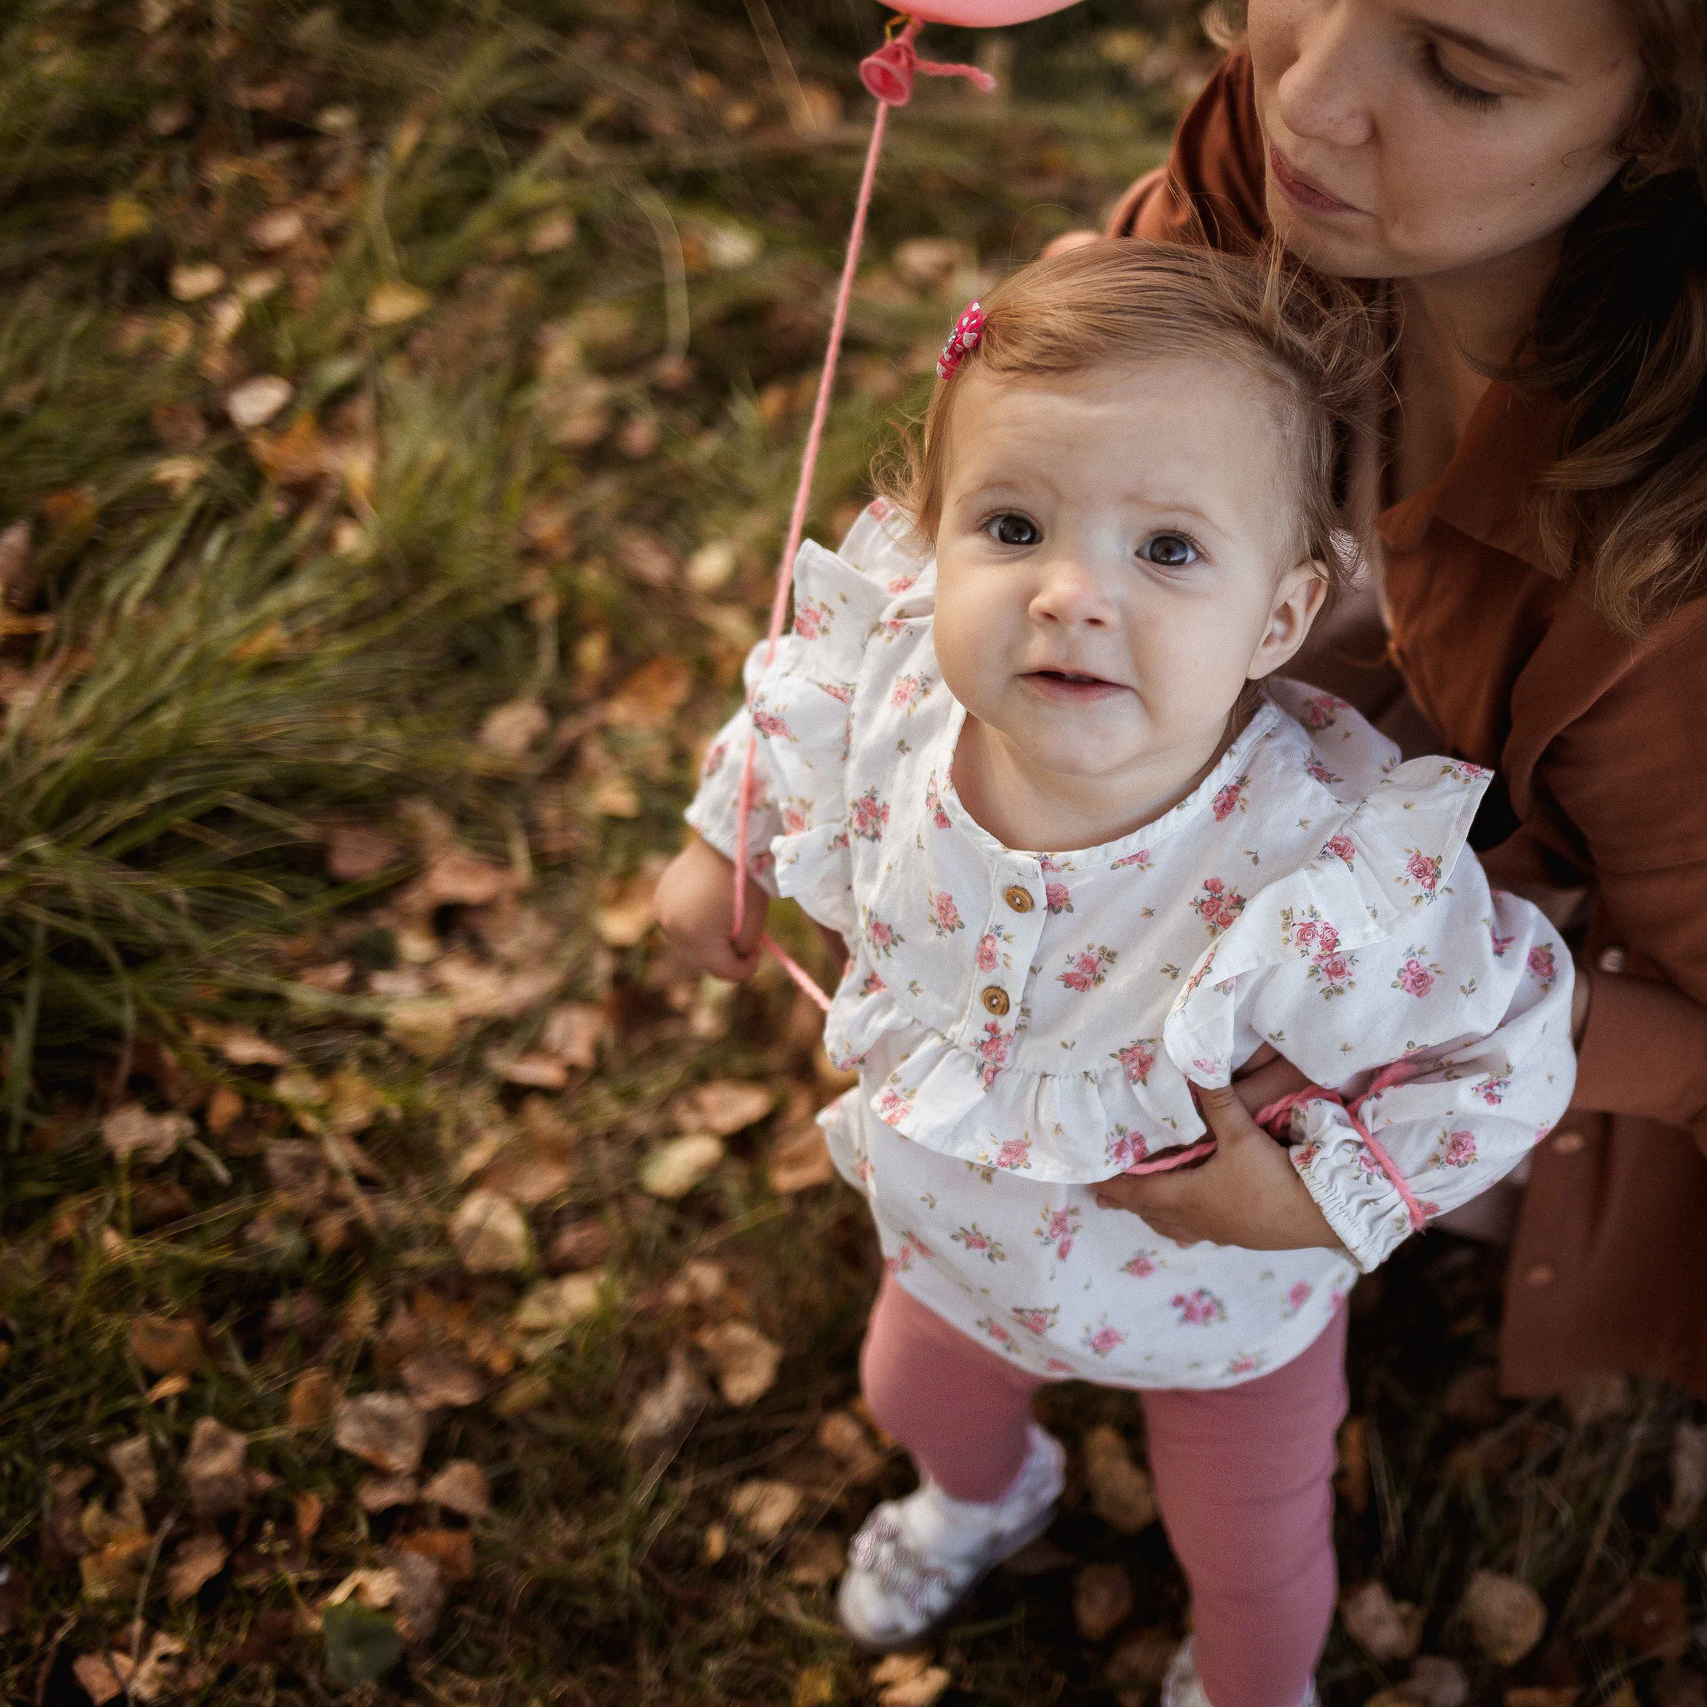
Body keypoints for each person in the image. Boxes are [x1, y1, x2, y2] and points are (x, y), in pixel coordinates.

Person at [1085, 0, 1707, 1409]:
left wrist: (1488, 1038)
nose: (1302, 99)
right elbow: (1122, 373)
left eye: (1461, 74)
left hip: (1674, 903)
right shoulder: (1327, 149)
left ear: (1688, 126)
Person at [654, 241, 1579, 1707]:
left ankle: (1254, 1686)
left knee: (1253, 1556)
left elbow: (1509, 1040)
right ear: (936, 543)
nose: (1073, 594)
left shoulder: (1314, 866)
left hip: (1218, 1295)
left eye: (1168, 551)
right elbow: (794, 714)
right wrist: (727, 844)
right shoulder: (900, 691)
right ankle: (987, 1494)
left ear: (1280, 617)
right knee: (912, 1393)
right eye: (1013, 526)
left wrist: (1314, 1202)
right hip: (959, 1237)